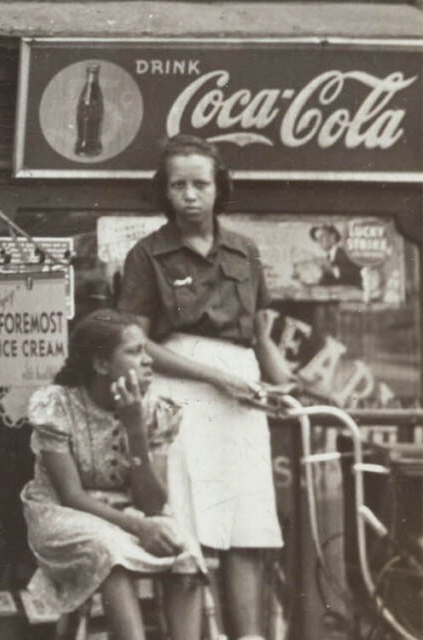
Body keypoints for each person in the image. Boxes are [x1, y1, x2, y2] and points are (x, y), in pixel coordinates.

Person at [115, 135, 292, 640]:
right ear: (165, 192)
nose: (190, 195)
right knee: (185, 536)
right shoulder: (147, 255)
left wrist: (282, 387)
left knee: (245, 529)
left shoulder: (245, 251)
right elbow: (137, 344)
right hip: (180, 397)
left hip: (241, 400)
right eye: (179, 186)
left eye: (200, 184)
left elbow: (261, 336)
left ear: (219, 188)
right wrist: (218, 378)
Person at [20, 311, 203, 640]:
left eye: (146, 350)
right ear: (101, 364)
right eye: (134, 352)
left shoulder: (154, 411)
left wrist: (135, 428)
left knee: (185, 552)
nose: (148, 361)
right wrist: (140, 527)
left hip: (128, 512)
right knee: (110, 553)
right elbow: (71, 496)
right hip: (62, 514)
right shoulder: (57, 406)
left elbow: (152, 505)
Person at [309, 224, 364, 288]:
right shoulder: (328, 258)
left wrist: (331, 269)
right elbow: (326, 282)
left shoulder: (347, 253)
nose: (319, 241)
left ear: (333, 237)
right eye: (317, 239)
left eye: (322, 237)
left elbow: (355, 277)